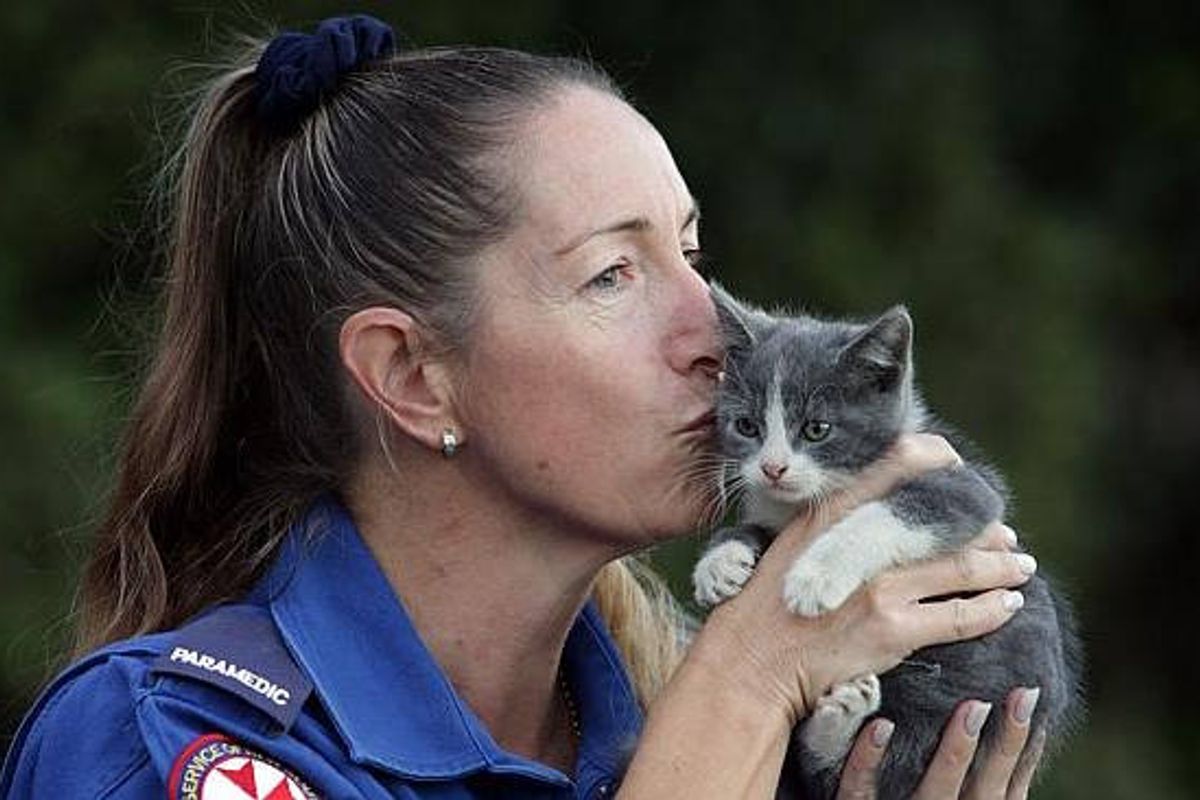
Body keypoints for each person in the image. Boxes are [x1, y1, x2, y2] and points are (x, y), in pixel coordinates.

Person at [0, 14, 1044, 799]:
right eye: (613, 275)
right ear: (413, 375)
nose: (714, 338)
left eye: (691, 254)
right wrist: (745, 677)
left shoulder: (660, 730)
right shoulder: (170, 740)